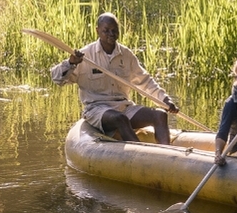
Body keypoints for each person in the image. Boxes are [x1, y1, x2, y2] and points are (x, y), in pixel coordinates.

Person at [49, 13, 178, 144]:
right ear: (97, 31)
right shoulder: (85, 55)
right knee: (120, 119)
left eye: (114, 30)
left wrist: (165, 100)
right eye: (106, 30)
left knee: (160, 115)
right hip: (97, 109)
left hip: (124, 107)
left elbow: (145, 81)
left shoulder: (126, 55)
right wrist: (71, 63)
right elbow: (56, 78)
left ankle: (168, 153)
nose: (111, 34)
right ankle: (140, 154)